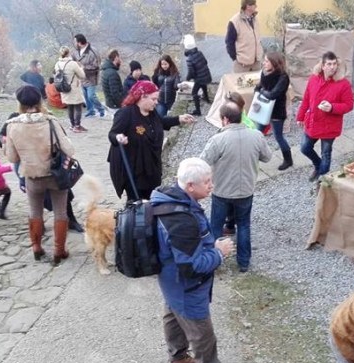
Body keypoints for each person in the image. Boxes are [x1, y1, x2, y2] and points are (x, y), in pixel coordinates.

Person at [150, 157, 236, 363]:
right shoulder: (180, 221)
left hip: (170, 280)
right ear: (190, 186)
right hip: (186, 286)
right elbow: (192, 266)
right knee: (202, 333)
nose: (211, 185)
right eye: (207, 182)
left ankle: (177, 358)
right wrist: (219, 253)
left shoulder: (169, 198)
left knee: (172, 314)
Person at [4, 85, 76, 264]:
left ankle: (36, 247)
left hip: (32, 176)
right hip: (55, 175)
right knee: (60, 212)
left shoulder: (12, 126)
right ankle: (59, 250)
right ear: (39, 100)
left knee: (34, 211)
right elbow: (69, 150)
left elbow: (12, 157)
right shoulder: (50, 122)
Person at [201, 102, 271, 272]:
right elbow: (267, 157)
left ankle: (214, 260)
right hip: (245, 190)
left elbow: (203, 162)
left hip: (222, 191)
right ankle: (244, 262)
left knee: (216, 226)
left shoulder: (218, 139)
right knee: (244, 225)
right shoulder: (256, 136)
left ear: (225, 119)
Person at [107, 80, 195, 200]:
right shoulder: (126, 113)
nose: (156, 102)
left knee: (152, 199)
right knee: (137, 202)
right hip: (135, 170)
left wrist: (178, 119)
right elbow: (112, 134)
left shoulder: (152, 112)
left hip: (151, 166)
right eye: (153, 99)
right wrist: (118, 137)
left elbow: (160, 122)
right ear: (142, 97)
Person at [0, 112, 84, 233]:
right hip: (28, 166)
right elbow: (0, 139)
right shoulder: (14, 119)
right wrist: (5, 140)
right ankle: (40, 227)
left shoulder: (47, 117)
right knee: (37, 200)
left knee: (62, 192)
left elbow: (62, 140)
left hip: (51, 164)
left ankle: (71, 220)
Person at [296, 51, 354, 181]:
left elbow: (349, 105)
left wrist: (332, 107)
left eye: (334, 64)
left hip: (330, 125)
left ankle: (322, 181)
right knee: (305, 148)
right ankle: (318, 166)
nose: (332, 67)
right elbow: (306, 99)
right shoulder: (314, 79)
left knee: (326, 154)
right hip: (313, 122)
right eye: (329, 64)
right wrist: (300, 116)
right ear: (322, 66)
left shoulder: (343, 83)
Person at [253, 51, 293, 170]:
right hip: (264, 109)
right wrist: (259, 90)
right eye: (264, 60)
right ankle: (253, 160)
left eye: (267, 61)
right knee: (257, 134)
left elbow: (273, 95)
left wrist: (261, 92)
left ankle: (288, 160)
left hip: (277, 111)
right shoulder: (264, 72)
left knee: (278, 137)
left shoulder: (283, 77)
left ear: (274, 63)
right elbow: (259, 87)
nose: (264, 63)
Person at [72, 33, 106, 118]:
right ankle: (90, 110)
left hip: (91, 78)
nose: (74, 44)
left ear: (79, 42)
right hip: (81, 78)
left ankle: (101, 109)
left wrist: (83, 68)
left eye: (75, 42)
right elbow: (73, 61)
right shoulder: (76, 52)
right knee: (86, 96)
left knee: (91, 96)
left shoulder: (92, 51)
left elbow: (97, 66)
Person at [54, 46, 87, 132]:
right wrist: (81, 68)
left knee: (70, 107)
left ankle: (72, 125)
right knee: (78, 107)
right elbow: (82, 76)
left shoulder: (57, 64)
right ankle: (77, 126)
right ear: (69, 53)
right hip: (74, 88)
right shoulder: (72, 64)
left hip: (64, 88)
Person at [225, 0, 263, 72]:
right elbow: (229, 43)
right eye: (254, 4)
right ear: (248, 6)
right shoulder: (234, 21)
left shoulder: (255, 19)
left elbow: (258, 39)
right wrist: (235, 58)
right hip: (242, 66)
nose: (256, 6)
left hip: (256, 64)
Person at [183, 34, 212, 116]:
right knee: (203, 85)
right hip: (206, 74)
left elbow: (191, 72)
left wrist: (187, 79)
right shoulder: (200, 53)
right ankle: (207, 99)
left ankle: (198, 110)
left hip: (199, 78)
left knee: (194, 93)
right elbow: (205, 62)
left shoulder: (189, 59)